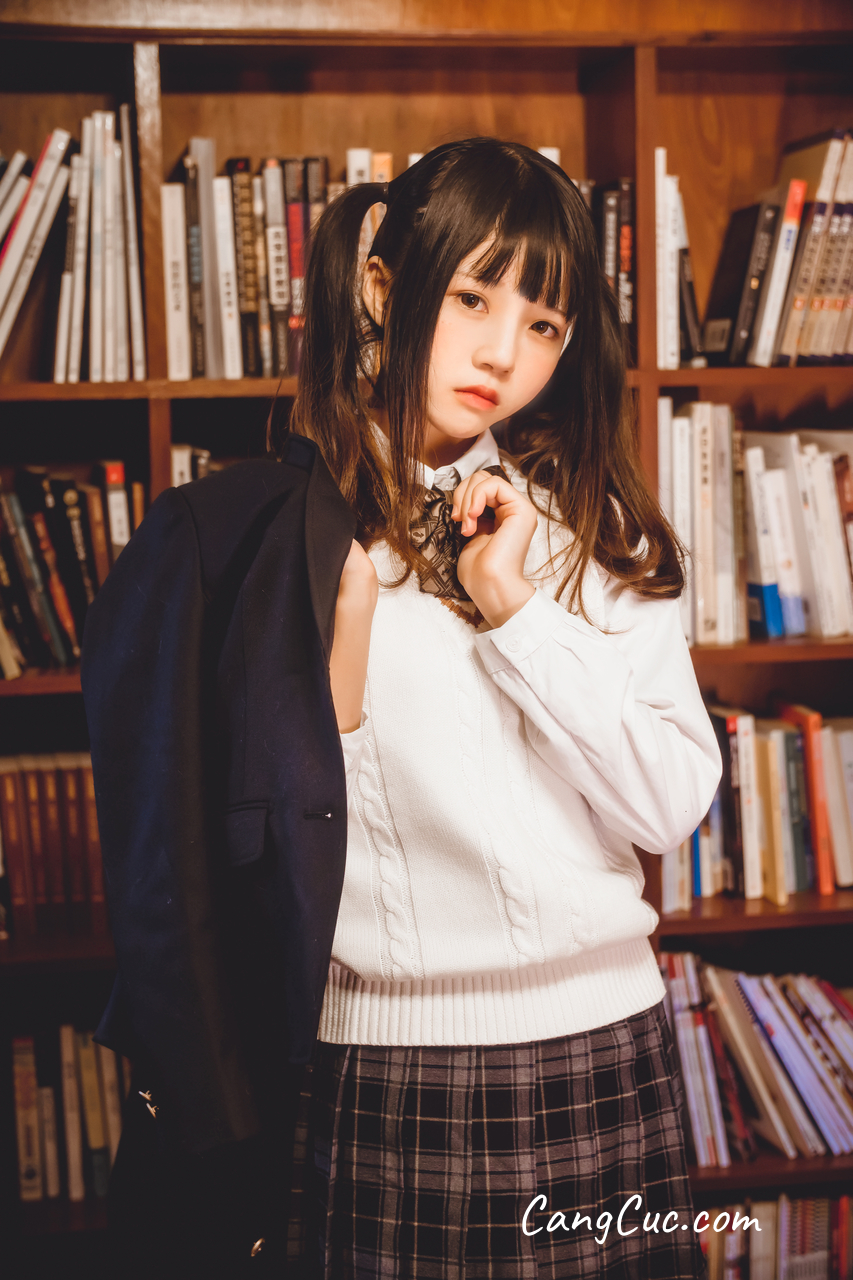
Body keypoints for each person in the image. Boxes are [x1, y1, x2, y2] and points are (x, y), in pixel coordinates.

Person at [276, 137, 723, 1279]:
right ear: (383, 288)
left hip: (600, 1048)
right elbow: (267, 844)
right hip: (382, 1067)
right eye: (472, 297)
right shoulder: (286, 541)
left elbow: (669, 803)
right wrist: (347, 645)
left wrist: (515, 608)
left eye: (543, 324)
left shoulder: (590, 531)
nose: (500, 353)